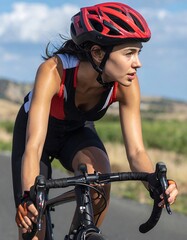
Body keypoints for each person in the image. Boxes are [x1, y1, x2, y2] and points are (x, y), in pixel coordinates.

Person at [12, 2, 178, 240]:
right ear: (98, 53)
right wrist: (28, 198)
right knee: (33, 226)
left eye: (138, 53)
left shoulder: (126, 84)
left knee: (100, 176)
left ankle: (83, 234)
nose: (137, 63)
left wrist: (156, 184)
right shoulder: (53, 72)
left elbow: (137, 152)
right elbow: (33, 146)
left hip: (76, 131)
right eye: (129, 53)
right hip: (36, 136)